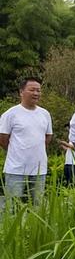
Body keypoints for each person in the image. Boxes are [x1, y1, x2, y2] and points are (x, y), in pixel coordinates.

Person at [0, 77, 53, 206]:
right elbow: (3, 138)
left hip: (39, 169)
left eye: (38, 90)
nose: (36, 93)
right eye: (32, 90)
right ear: (21, 92)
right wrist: (17, 150)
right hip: (16, 169)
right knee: (13, 206)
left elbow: (48, 137)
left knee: (37, 206)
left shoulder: (44, 114)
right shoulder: (11, 114)